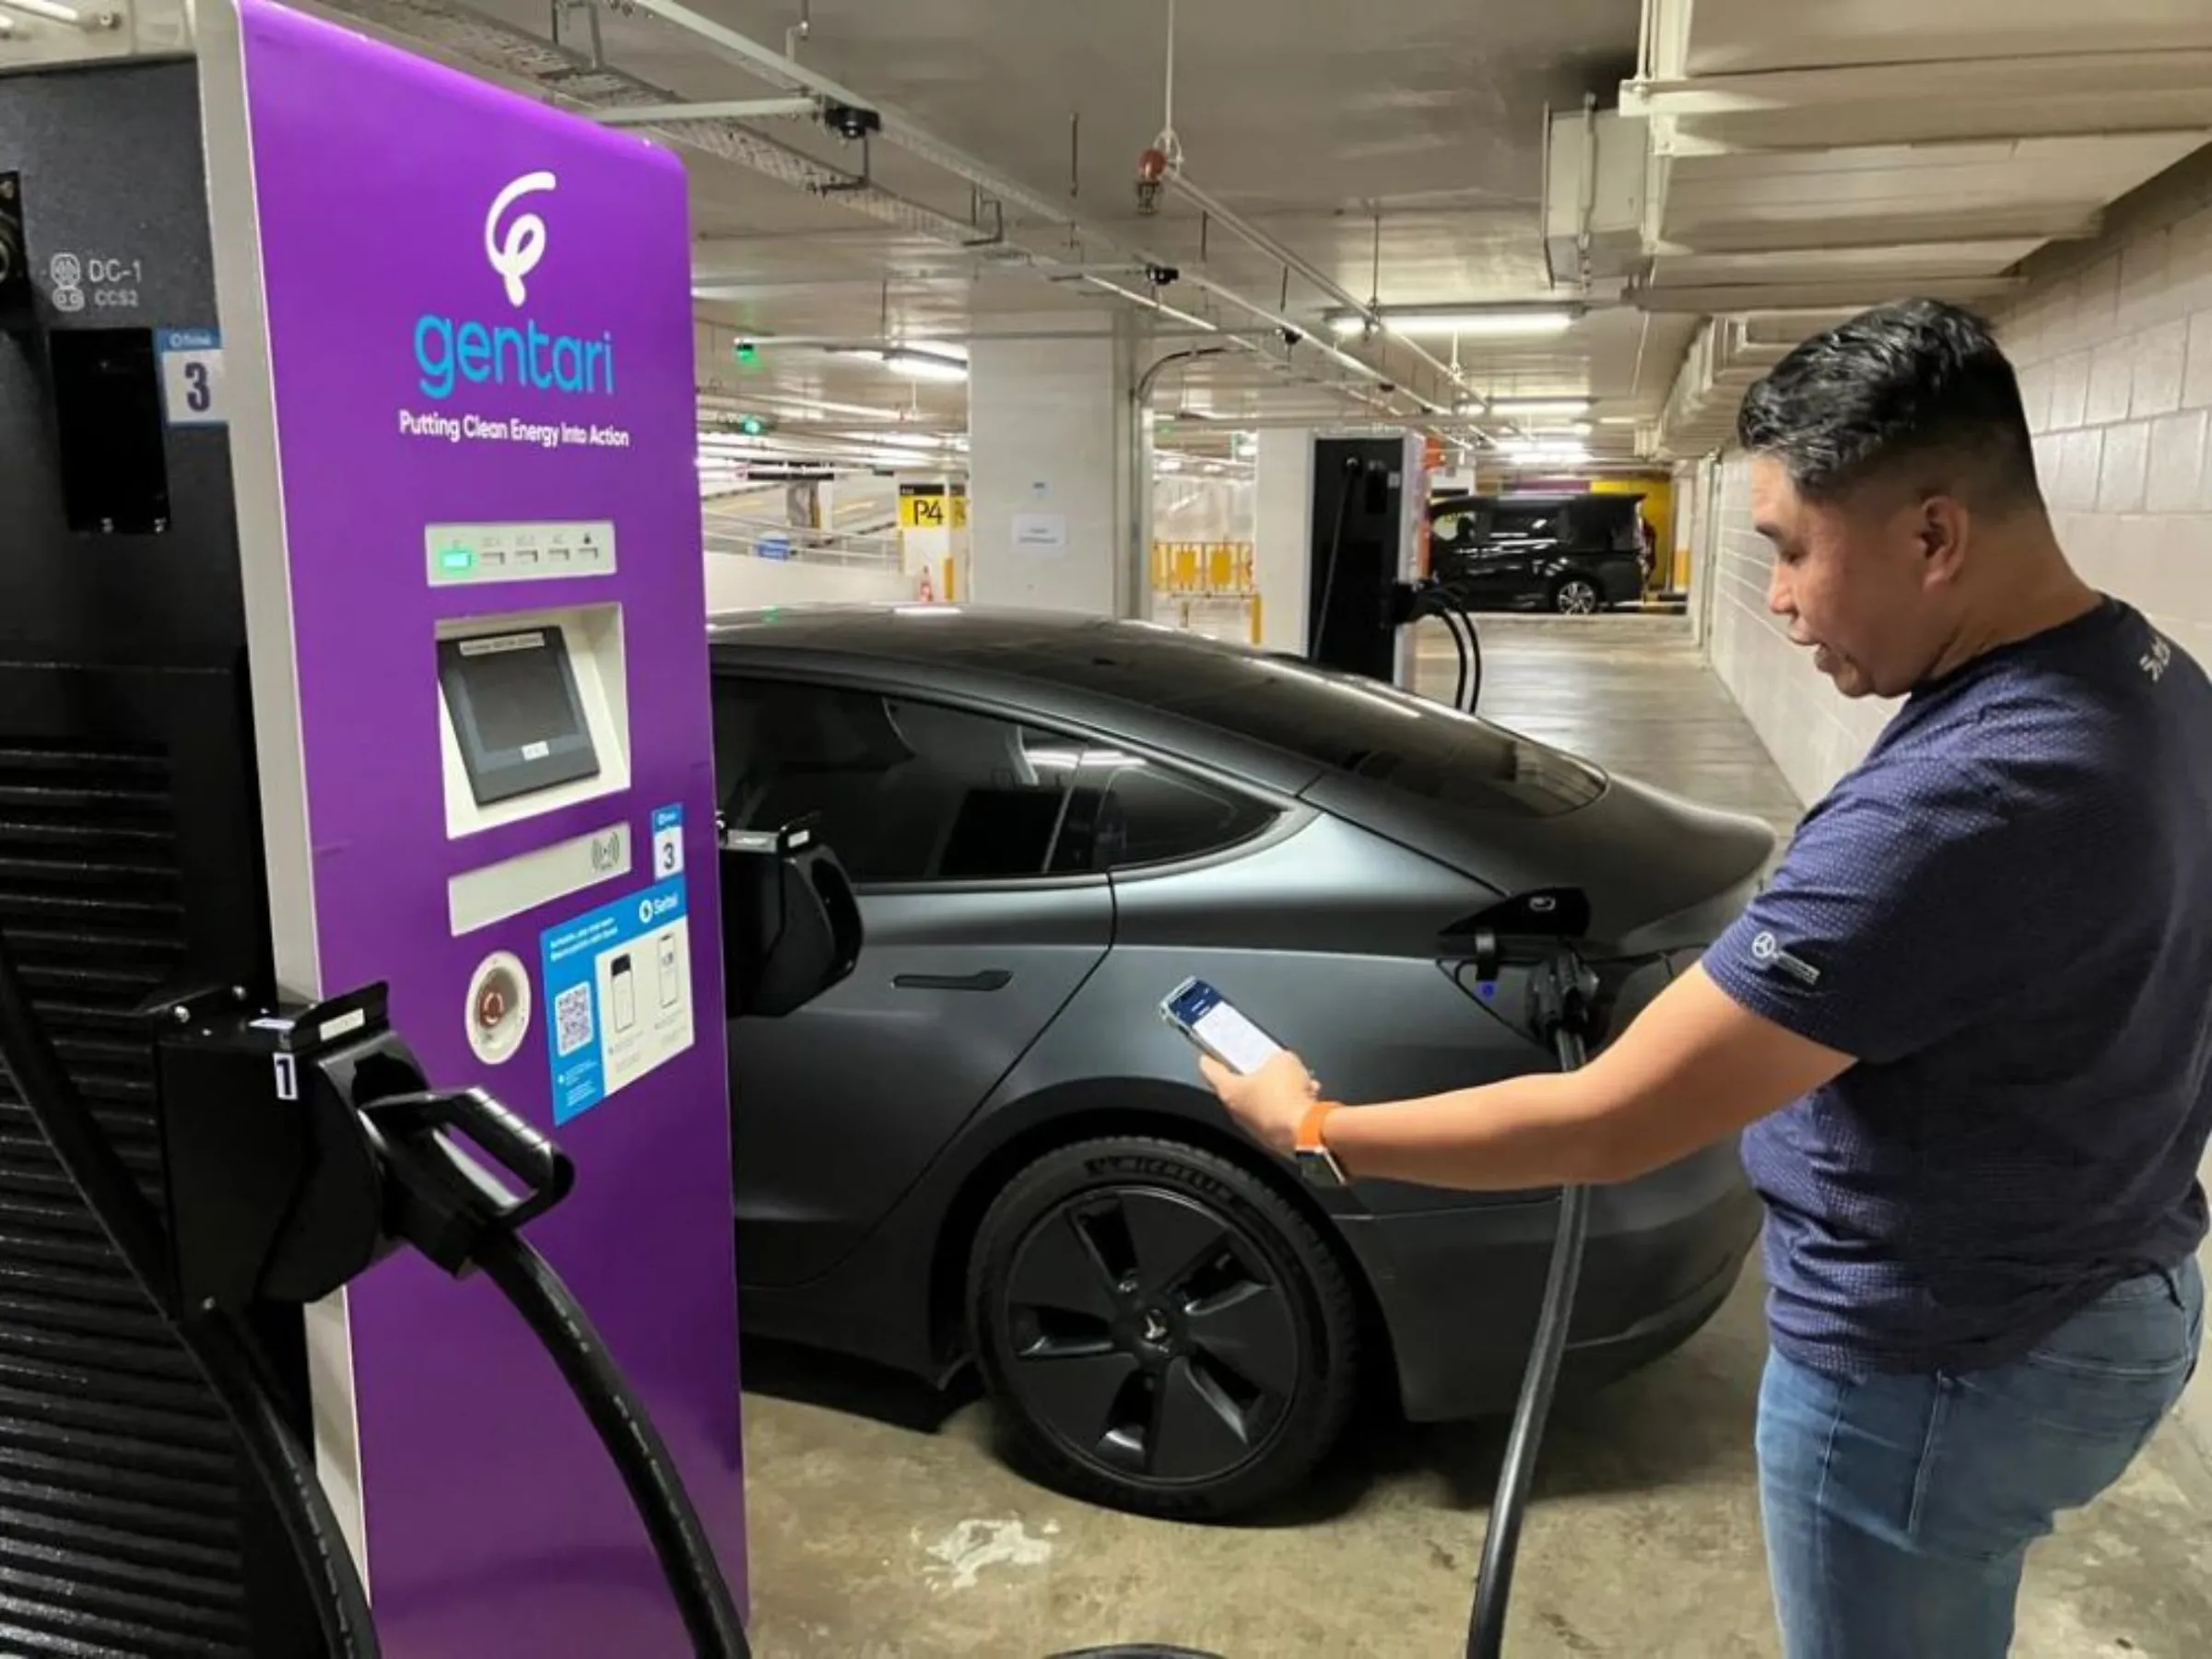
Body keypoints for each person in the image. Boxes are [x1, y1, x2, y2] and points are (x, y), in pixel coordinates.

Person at [1197, 299, 2211, 1658]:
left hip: (1943, 1363)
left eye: (1792, 550)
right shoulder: (2149, 675)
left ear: (1933, 536)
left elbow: (1611, 1122)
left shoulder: (1958, 802)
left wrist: (1313, 1128)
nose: (1779, 598)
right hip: (2110, 1280)